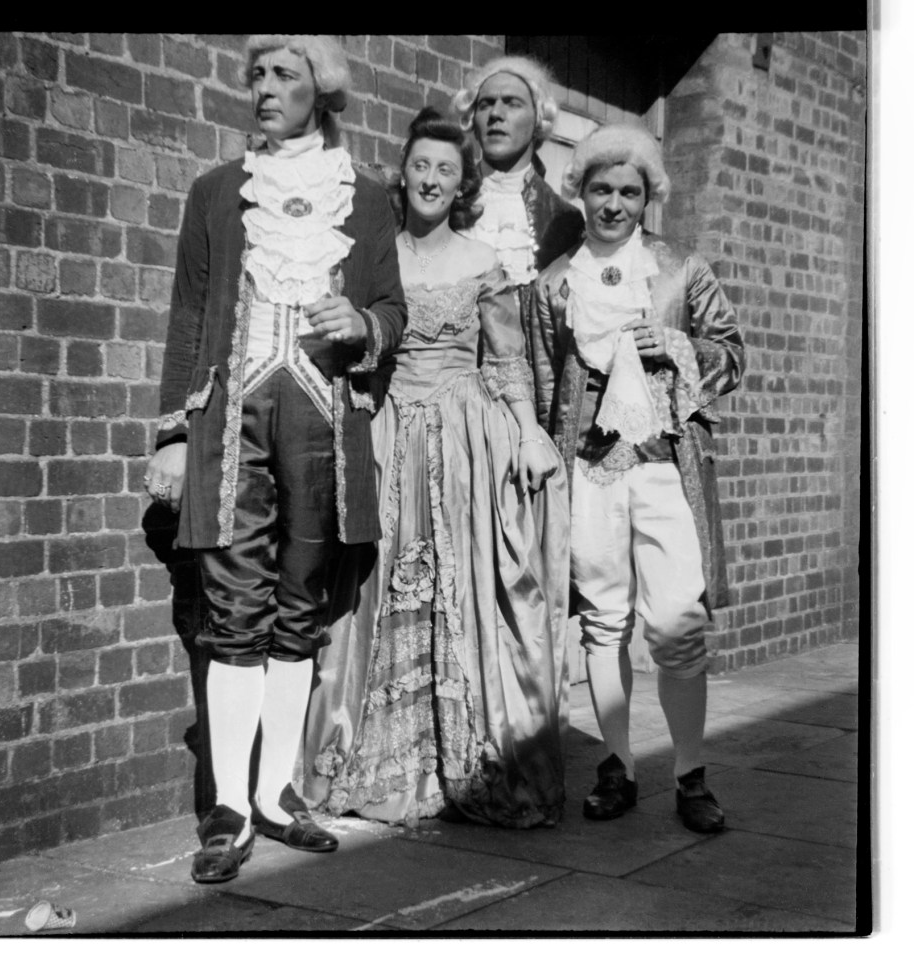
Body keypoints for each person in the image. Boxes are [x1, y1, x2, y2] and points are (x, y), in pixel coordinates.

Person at [143, 34, 406, 883]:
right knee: (232, 602)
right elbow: (189, 317)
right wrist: (176, 435)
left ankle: (279, 791)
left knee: (302, 604)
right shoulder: (218, 192)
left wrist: (365, 327)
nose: (262, 88)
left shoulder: (365, 199)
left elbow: (391, 307)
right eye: (255, 74)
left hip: (326, 420)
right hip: (232, 422)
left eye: (282, 75)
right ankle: (227, 807)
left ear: (319, 92)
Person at [303, 108, 569, 829]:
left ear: (463, 185)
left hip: (460, 435)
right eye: (421, 165)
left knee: (464, 583)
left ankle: (464, 761)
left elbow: (507, 359)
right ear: (405, 174)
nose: (431, 179)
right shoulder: (373, 254)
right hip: (386, 426)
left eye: (446, 170)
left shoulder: (483, 260)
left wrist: (529, 434)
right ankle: (386, 761)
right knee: (380, 579)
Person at [528, 123, 745, 833]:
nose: (614, 203)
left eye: (629, 190)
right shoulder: (556, 283)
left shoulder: (680, 270)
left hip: (663, 468)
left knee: (678, 621)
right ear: (580, 193)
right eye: (601, 189)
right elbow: (539, 383)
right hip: (588, 471)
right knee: (603, 620)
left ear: (648, 196)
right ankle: (616, 763)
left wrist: (680, 343)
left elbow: (733, 355)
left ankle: (690, 773)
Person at [452, 56, 584, 322]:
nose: (496, 114)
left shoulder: (564, 220)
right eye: (485, 104)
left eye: (512, 103)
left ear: (537, 120)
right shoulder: (446, 201)